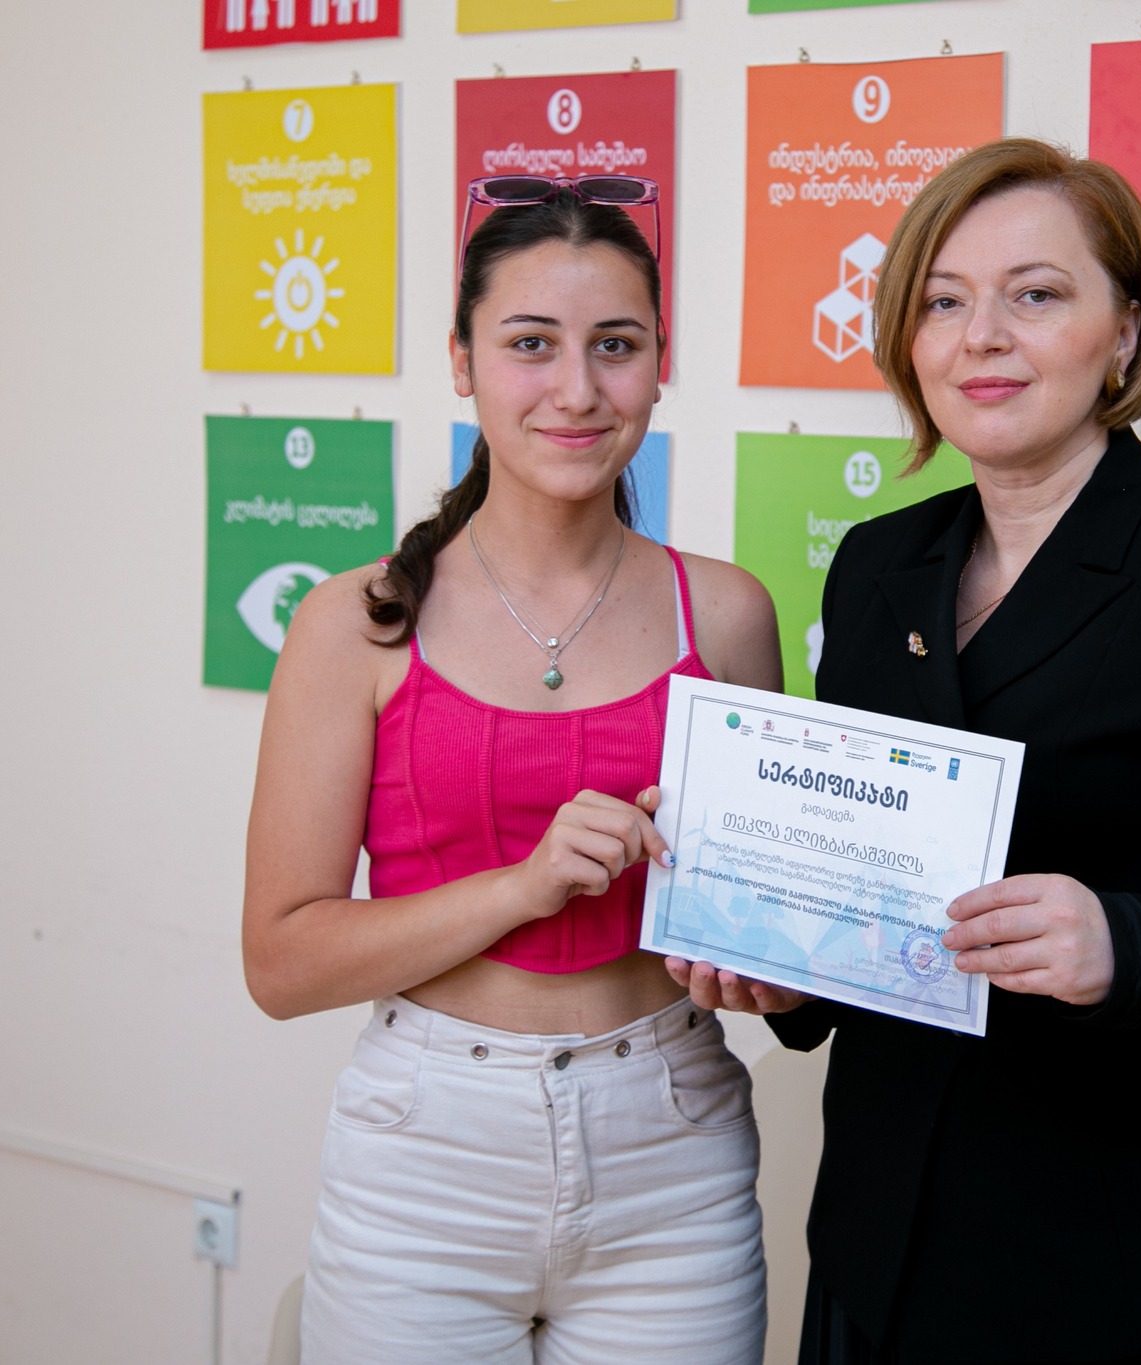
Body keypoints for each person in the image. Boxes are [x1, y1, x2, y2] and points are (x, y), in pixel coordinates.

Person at [671, 139, 1141, 1364]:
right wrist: (788, 970)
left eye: (1035, 295)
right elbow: (865, 869)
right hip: (893, 1237)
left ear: (1124, 330)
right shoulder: (878, 564)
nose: (981, 338)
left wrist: (1125, 941)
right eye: (943, 302)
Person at [242, 178, 780, 1365]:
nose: (577, 390)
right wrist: (522, 888)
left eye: (615, 346)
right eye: (530, 344)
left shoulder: (728, 614)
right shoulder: (353, 624)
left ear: (659, 365)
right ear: (461, 361)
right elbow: (280, 964)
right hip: (421, 1163)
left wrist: (783, 971)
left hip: (675, 1154)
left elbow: (762, 931)